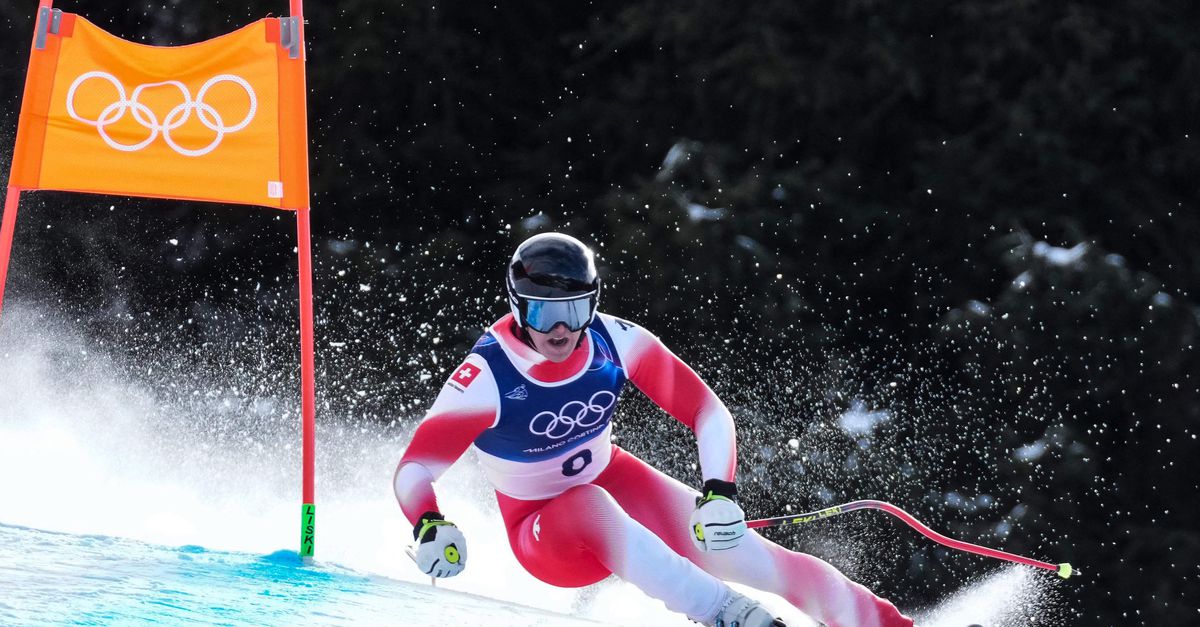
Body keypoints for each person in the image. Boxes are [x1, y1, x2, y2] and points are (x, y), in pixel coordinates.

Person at [393, 232, 914, 627]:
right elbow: (415, 468)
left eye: (575, 309)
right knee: (588, 504)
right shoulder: (486, 377)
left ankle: (883, 624)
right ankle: (727, 614)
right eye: (544, 313)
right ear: (517, 306)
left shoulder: (617, 341)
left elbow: (707, 411)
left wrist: (720, 493)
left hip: (616, 482)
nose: (561, 329)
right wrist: (429, 524)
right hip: (545, 533)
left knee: (746, 552)